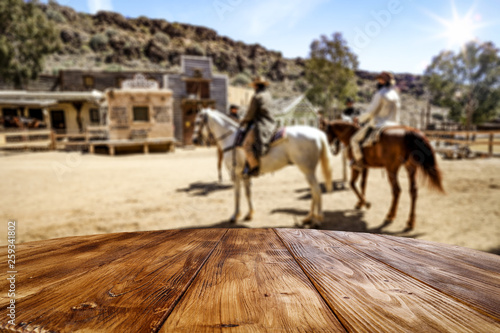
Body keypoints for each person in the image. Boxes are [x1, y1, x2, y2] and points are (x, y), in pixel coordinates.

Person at [350, 71, 401, 169]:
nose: (378, 81)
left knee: (354, 140)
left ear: (383, 81)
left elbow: (371, 112)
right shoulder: (396, 95)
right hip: (395, 124)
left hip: (380, 124)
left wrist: (359, 118)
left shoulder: (380, 93)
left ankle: (359, 162)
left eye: (380, 79)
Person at [240, 75, 277, 177]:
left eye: (254, 86)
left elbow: (250, 114)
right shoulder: (269, 95)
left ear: (256, 86)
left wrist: (244, 120)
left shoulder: (256, 97)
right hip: (272, 123)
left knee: (246, 145)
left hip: (262, 124)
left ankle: (254, 167)